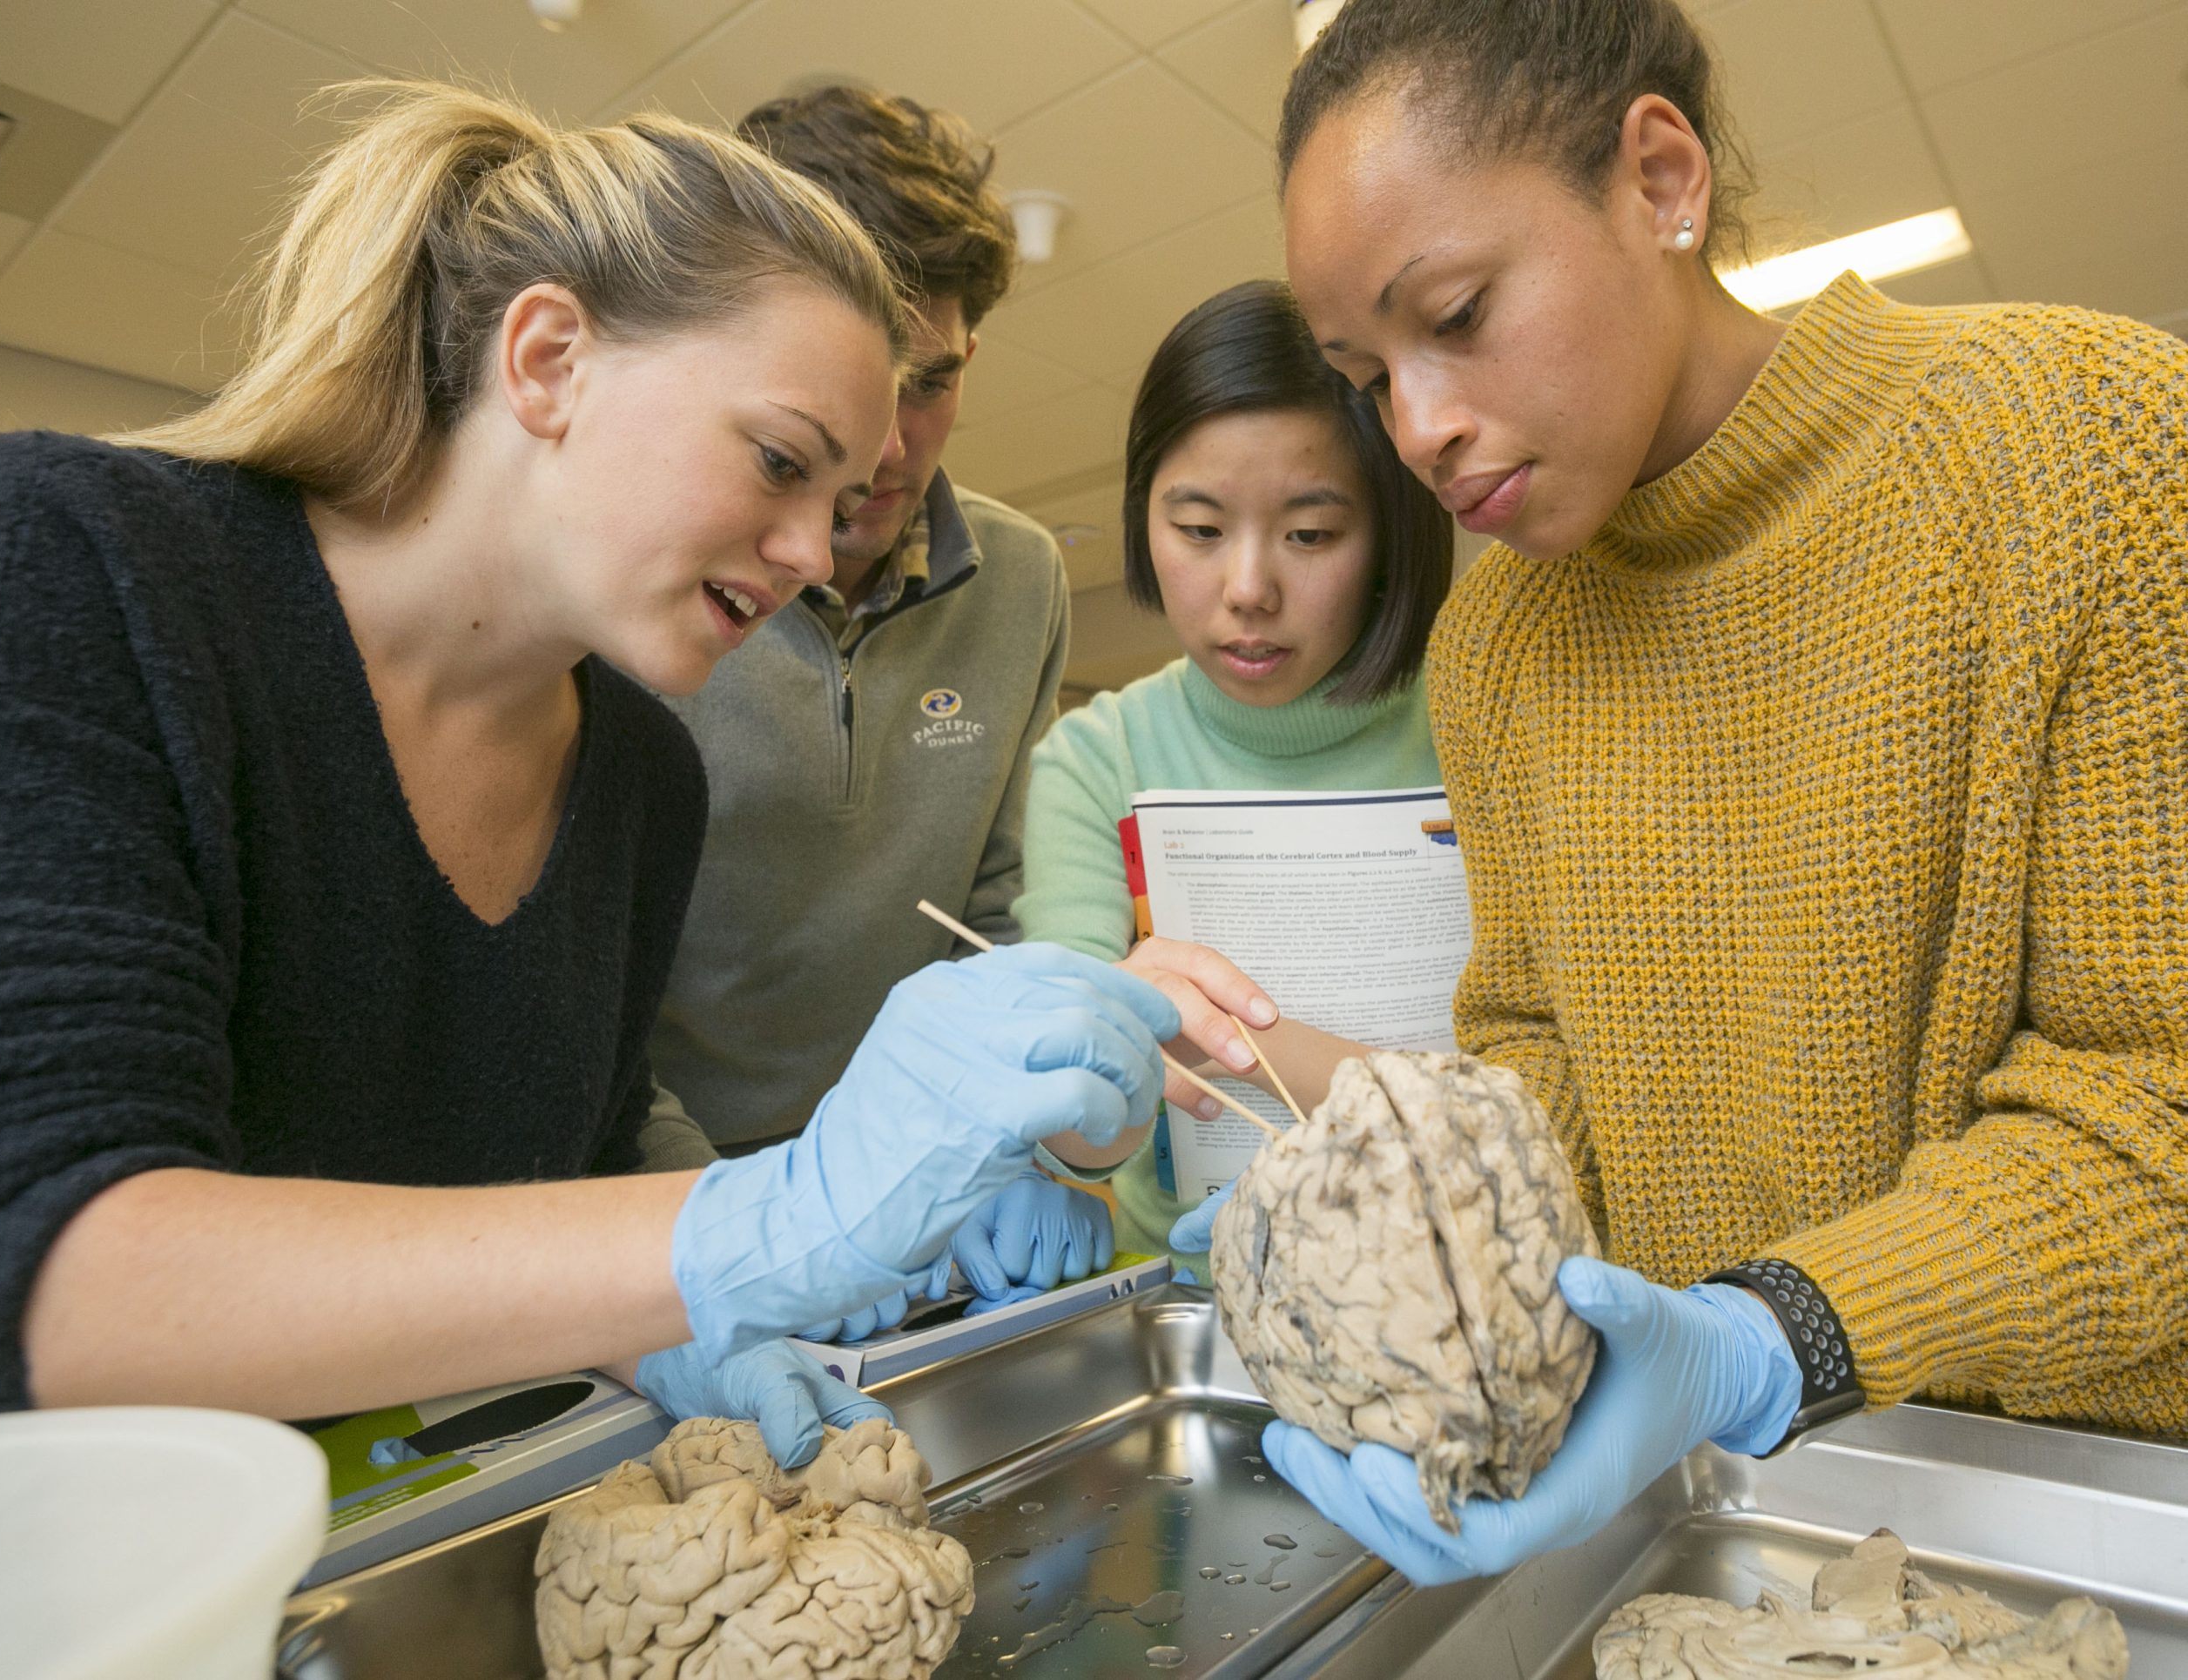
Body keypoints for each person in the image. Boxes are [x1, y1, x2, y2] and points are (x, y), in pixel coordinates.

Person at [0, 81, 1185, 1470]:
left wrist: (680, 1318)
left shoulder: (641, 774)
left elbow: (578, 1164)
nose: (805, 554)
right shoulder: (68, 566)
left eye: (834, 501)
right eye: (780, 463)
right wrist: (763, 1220)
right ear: (546, 358)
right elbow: (46, 1276)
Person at [1168, 0, 2188, 1584]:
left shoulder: (2084, 445)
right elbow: (1548, 1068)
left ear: (1657, 177)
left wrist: (1769, 1333)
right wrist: (1395, 1204)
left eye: (1457, 312)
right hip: (1719, 1496)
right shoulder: (1497, 638)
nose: (1418, 428)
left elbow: (2157, 1115)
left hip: (2083, 1498)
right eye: (1369, 375)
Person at [642, 84, 1105, 1337]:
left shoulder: (1021, 580)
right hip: (666, 1202)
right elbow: (585, 995)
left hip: (918, 1177)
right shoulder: (653, 578)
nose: (891, 446)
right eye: (853, 388)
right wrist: (752, 1227)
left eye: (933, 383)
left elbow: (996, 909)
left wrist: (1013, 1146)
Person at [1011, 279, 1448, 1267]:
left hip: (1443, 1267)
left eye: (1309, 535)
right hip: (1189, 1287)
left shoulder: (1475, 718)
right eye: (1199, 531)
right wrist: (1073, 1089)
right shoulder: (1098, 755)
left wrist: (1194, 1032)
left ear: (1390, 533)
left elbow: (1526, 1099)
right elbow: (1076, 1133)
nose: (1247, 590)